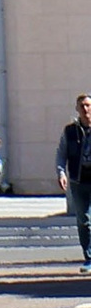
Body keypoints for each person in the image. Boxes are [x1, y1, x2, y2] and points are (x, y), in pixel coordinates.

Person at [57, 93, 91, 272]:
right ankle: (89, 257)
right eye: (82, 106)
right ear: (77, 109)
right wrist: (61, 172)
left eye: (88, 105)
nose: (85, 109)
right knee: (83, 219)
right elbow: (61, 153)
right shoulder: (70, 131)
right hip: (78, 181)